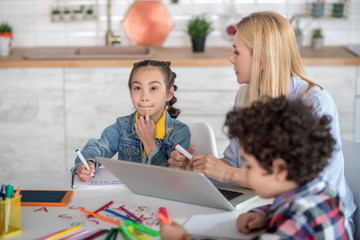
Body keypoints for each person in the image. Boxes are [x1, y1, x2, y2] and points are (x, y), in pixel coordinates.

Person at [168, 11, 356, 232]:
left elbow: (310, 188)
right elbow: (236, 163)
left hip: (319, 222)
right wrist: (203, 167)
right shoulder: (245, 96)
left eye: (237, 52)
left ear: (262, 58)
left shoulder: (315, 103)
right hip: (271, 208)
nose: (231, 58)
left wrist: (228, 174)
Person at [161, 96, 353, 239]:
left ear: (278, 169)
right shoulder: (321, 191)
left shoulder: (297, 223)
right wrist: (261, 215)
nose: (244, 173)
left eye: (249, 166)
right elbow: (284, 207)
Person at [71, 60, 191, 181]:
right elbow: (99, 147)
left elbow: (172, 180)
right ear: (130, 92)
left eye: (153, 88)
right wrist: (87, 163)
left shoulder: (180, 132)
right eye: (138, 88)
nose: (144, 97)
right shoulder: (122, 126)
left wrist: (149, 143)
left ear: (168, 94)